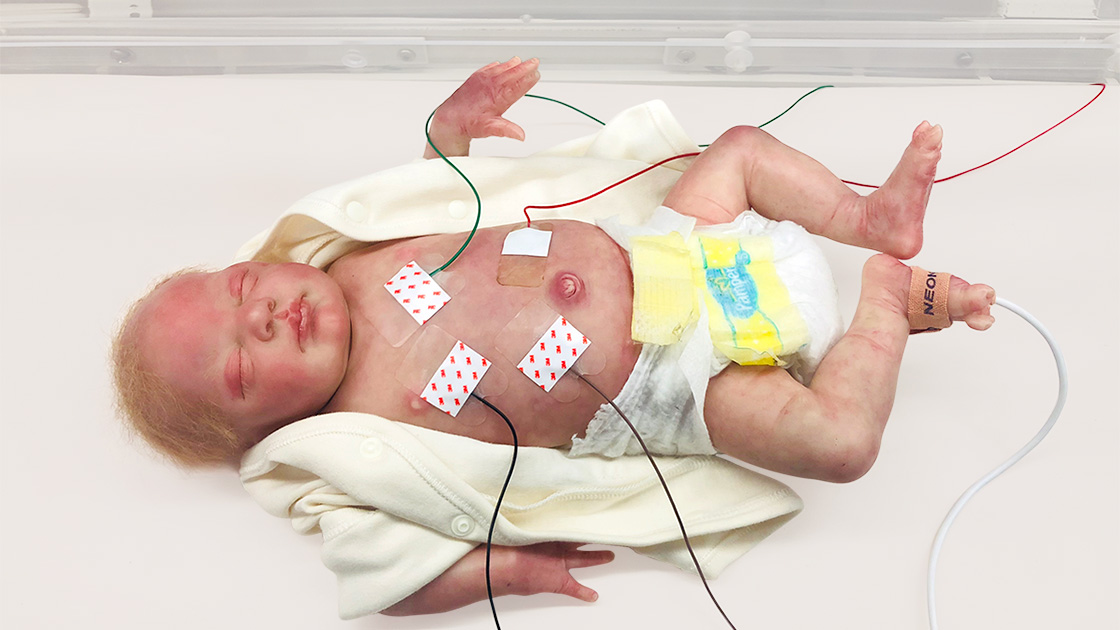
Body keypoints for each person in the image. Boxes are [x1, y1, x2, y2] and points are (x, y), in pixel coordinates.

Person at [111, 58, 995, 617]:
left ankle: (870, 217)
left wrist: (447, 132)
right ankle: (888, 303)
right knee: (838, 446)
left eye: (240, 287)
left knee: (738, 150)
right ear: (258, 429)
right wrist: (504, 572)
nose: (263, 314)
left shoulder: (361, 246)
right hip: (668, 387)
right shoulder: (350, 446)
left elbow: (444, 194)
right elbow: (387, 581)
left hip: (665, 245)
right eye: (238, 362)